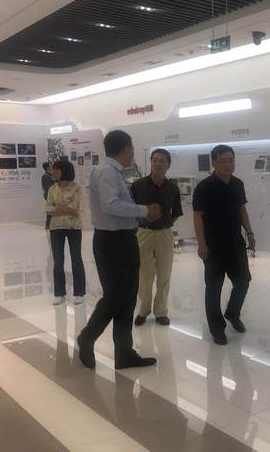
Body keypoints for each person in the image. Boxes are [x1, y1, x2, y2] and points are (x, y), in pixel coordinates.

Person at [76, 130, 162, 370]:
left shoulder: (113, 172)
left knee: (127, 298)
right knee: (115, 297)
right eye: (132, 147)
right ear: (126, 148)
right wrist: (144, 211)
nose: (133, 152)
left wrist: (138, 215)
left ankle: (124, 353)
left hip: (122, 240)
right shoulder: (106, 172)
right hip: (113, 243)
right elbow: (111, 205)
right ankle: (87, 337)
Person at [192, 144, 255, 345]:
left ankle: (232, 313)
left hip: (235, 243)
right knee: (214, 288)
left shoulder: (238, 184)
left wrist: (249, 232)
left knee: (243, 281)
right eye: (223, 161)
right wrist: (201, 244)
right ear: (214, 163)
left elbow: (242, 210)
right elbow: (197, 217)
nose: (228, 165)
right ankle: (217, 328)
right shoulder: (204, 187)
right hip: (213, 246)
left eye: (231, 161)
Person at [131, 148, 183, 327]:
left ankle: (161, 311)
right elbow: (131, 211)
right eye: (155, 160)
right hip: (143, 233)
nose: (158, 163)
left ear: (168, 165)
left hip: (164, 234)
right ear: (151, 162)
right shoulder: (138, 186)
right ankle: (143, 310)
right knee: (144, 276)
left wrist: (165, 224)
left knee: (164, 274)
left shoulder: (172, 188)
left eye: (162, 161)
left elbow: (176, 213)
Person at [44, 160, 86, 306]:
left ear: (64, 171)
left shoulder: (77, 188)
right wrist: (65, 208)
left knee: (76, 259)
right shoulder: (52, 188)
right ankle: (59, 293)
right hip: (56, 228)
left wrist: (58, 208)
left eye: (56, 170)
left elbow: (78, 207)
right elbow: (47, 208)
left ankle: (79, 293)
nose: (53, 172)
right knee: (57, 261)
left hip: (74, 228)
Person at [41, 162, 55, 230]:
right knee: (50, 210)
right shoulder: (46, 176)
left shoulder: (50, 175)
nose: (52, 166)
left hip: (51, 195)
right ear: (47, 167)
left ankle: (49, 226)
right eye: (50, 166)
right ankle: (48, 226)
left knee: (51, 210)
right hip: (49, 195)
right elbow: (48, 187)